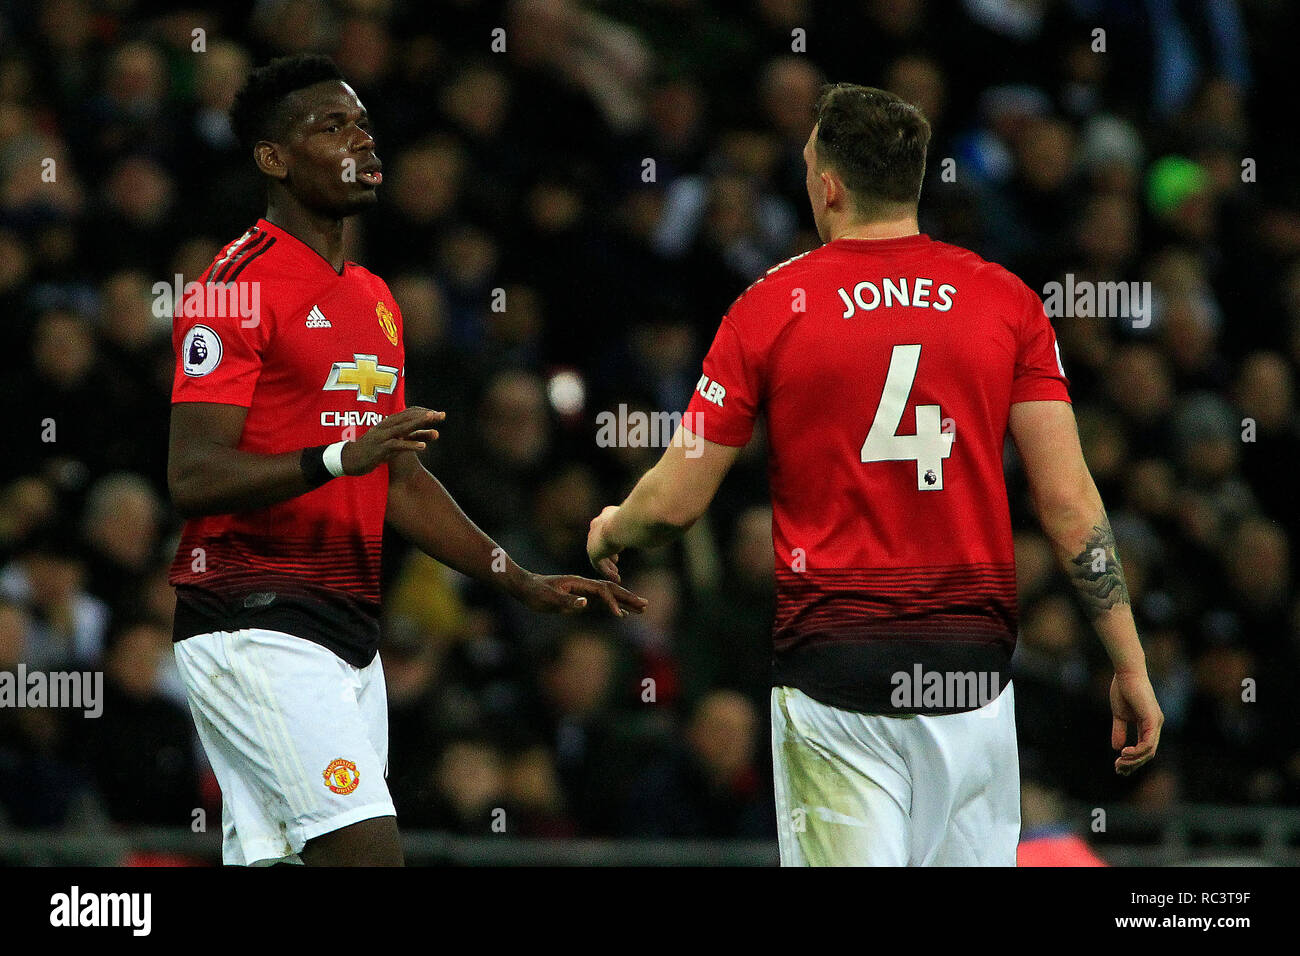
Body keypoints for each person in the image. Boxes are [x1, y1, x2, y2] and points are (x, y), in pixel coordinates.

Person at [587, 83, 1162, 866]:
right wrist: (1128, 662)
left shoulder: (772, 305)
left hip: (839, 684)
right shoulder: (1007, 302)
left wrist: (613, 526)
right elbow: (1068, 503)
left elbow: (677, 504)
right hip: (973, 685)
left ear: (828, 183)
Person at [166, 54, 645, 867]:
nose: (360, 140)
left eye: (361, 123)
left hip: (349, 628)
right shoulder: (231, 288)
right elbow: (194, 476)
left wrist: (517, 577)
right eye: (331, 126)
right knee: (367, 854)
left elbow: (399, 479)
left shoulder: (376, 300)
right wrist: (337, 456)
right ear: (272, 159)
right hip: (252, 616)